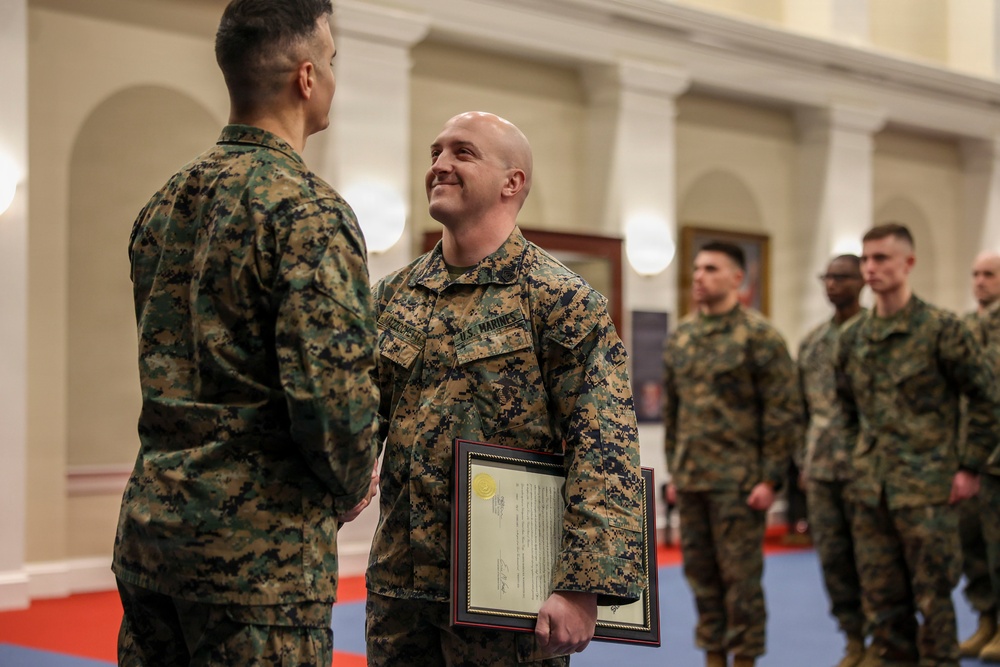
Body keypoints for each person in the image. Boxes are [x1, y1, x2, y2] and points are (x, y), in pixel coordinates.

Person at [112, 1, 380, 664]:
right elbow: (333, 402)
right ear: (308, 78)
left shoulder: (165, 204)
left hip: (152, 539)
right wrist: (349, 487)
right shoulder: (309, 214)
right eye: (335, 62)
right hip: (257, 566)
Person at [365, 111, 646, 666]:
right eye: (435, 153)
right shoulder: (395, 294)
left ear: (512, 182)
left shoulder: (558, 298)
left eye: (462, 153)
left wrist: (581, 585)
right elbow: (363, 416)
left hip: (507, 598)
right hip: (400, 588)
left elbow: (605, 447)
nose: (439, 165)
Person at [835, 224, 1000, 666]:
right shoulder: (852, 337)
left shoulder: (942, 329)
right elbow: (845, 409)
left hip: (929, 491)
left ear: (908, 263)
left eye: (882, 258)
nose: (871, 268)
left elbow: (986, 397)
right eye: (866, 259)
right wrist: (857, 456)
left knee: (934, 606)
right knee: (884, 608)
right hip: (872, 493)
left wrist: (968, 466)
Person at [663, 241, 802, 667]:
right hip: (693, 480)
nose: (699, 276)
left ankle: (744, 658)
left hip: (740, 485)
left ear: (737, 279)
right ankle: (714, 656)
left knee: (740, 582)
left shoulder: (760, 337)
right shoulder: (682, 337)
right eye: (697, 268)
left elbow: (783, 413)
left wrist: (771, 479)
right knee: (701, 579)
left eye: (711, 268)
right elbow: (673, 412)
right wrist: (675, 471)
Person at [797, 255, 868, 667]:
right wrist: (802, 461)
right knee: (835, 561)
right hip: (823, 471)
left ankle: (883, 640)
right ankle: (854, 638)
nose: (833, 285)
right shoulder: (813, 341)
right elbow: (799, 409)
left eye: (842, 277)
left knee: (875, 562)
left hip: (866, 469)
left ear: (862, 281)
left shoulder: (872, 334)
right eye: (828, 277)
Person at [958, 251, 1000, 660]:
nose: (980, 281)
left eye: (989, 274)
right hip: (971, 456)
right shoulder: (965, 328)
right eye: (975, 274)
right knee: (973, 546)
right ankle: (986, 620)